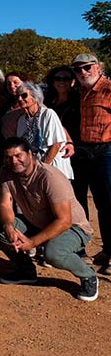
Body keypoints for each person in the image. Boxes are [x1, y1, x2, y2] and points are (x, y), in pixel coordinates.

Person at [0, 138, 98, 301]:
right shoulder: (7, 173)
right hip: (38, 222)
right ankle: (26, 271)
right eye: (9, 157)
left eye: (18, 155)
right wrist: (8, 227)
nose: (14, 161)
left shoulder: (49, 176)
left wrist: (32, 242)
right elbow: (5, 205)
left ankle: (88, 276)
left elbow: (64, 220)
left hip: (73, 227)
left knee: (53, 253)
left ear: (30, 154)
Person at [71, 53, 111, 275]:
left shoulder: (108, 89)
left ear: (98, 67)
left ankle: (109, 251)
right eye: (78, 69)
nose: (83, 72)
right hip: (83, 151)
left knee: (107, 203)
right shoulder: (80, 92)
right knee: (81, 202)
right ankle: (83, 248)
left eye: (87, 67)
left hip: (106, 151)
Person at [44, 66, 89, 218]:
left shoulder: (80, 100)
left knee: (77, 193)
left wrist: (72, 143)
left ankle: (82, 227)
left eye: (66, 78)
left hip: (75, 151)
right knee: (58, 193)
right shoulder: (47, 100)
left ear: (73, 81)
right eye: (58, 78)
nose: (61, 82)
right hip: (53, 151)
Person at [15, 82, 73, 180]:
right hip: (35, 170)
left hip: (54, 168)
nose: (20, 99)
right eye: (18, 96)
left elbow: (56, 144)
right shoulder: (21, 120)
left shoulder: (48, 114)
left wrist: (43, 168)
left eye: (24, 95)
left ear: (35, 97)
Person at [0, 72, 28, 140]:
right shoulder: (6, 105)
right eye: (9, 84)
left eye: (16, 82)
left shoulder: (32, 103)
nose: (12, 86)